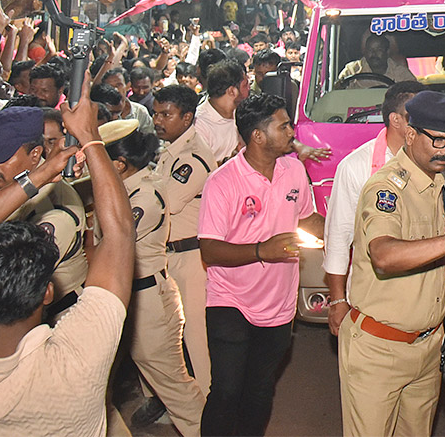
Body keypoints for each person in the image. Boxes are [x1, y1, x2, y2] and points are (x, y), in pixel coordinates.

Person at [0, 84, 133, 437]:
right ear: (46, 293)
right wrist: (89, 137)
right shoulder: (79, 361)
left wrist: (37, 177)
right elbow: (118, 234)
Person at [337, 91, 445, 436]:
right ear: (410, 134)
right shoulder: (386, 188)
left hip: (426, 348)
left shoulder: (436, 182)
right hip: (380, 352)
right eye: (438, 140)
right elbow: (384, 255)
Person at [197, 93, 322, 436]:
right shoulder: (222, 182)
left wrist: (345, 227)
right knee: (226, 392)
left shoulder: (294, 170)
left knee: (260, 390)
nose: (291, 131)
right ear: (258, 135)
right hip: (230, 302)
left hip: (279, 305)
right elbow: (209, 250)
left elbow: (308, 220)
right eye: (283, 125)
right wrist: (260, 251)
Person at [322, 82, 445, 338]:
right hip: (376, 313)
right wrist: (336, 300)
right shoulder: (356, 167)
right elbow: (338, 238)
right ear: (397, 121)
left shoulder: (444, 164)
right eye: (415, 114)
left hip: (429, 320)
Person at [101, 119, 205, 437]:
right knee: (98, 384)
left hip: (147, 299)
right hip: (127, 296)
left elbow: (113, 240)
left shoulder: (145, 196)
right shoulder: (127, 187)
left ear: (119, 164)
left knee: (175, 387)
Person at [0, 106, 88, 321]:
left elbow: (5, 271)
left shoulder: (58, 207)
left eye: (1, 157)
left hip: (55, 316)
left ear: (35, 155)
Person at [154, 83, 220, 395]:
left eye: (166, 114)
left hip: (190, 256)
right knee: (170, 332)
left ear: (187, 118)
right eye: (155, 113)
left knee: (196, 334)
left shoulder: (194, 158)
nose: (158, 120)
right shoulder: (170, 152)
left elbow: (163, 202)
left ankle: (208, 398)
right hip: (170, 254)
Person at [194, 59, 248, 163]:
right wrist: (231, 162)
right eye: (245, 85)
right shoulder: (200, 125)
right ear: (232, 91)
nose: (249, 89)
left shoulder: (243, 112)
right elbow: (200, 170)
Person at [336, 34, 417, 89]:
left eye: (379, 50)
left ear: (387, 52)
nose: (374, 54)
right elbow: (337, 93)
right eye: (370, 50)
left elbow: (414, 96)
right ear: (365, 52)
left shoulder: (402, 74)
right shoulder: (351, 70)